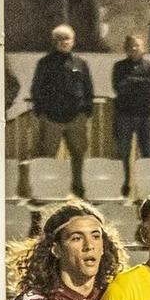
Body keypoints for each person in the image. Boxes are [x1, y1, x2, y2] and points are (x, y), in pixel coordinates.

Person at [29, 24, 96, 197]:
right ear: (54, 42)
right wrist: (41, 111)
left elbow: (88, 88)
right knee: (47, 157)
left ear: (73, 41)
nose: (63, 42)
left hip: (76, 118)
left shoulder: (81, 63)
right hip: (51, 118)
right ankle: (48, 192)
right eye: (59, 39)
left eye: (67, 39)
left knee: (79, 155)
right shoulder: (44, 63)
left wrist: (87, 111)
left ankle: (78, 190)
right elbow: (36, 88)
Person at [109, 34, 150, 182]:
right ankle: (123, 188)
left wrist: (131, 81)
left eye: (137, 45)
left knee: (147, 154)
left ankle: (147, 187)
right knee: (122, 153)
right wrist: (141, 82)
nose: (134, 48)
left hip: (146, 115)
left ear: (143, 48)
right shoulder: (119, 67)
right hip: (124, 114)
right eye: (131, 45)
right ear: (126, 48)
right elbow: (118, 87)